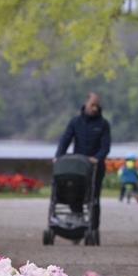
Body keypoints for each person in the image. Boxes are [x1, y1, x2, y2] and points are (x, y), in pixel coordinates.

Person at [55, 92, 111, 231]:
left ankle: (93, 228)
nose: (95, 109)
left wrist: (97, 158)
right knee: (73, 192)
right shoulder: (75, 122)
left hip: (95, 167)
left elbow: (105, 147)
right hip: (77, 166)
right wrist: (58, 156)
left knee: (94, 197)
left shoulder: (103, 124)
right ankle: (77, 219)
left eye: (97, 106)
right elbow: (65, 140)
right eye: (92, 105)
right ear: (86, 104)